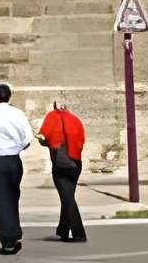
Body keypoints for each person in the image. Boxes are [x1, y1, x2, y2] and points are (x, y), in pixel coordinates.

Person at [0, 80, 37, 253]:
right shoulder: (18, 113)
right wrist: (17, 148)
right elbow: (27, 137)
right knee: (12, 196)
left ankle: (8, 240)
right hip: (14, 160)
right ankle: (15, 231)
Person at [37, 98, 87, 242]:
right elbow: (81, 140)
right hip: (76, 164)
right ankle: (63, 230)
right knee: (68, 196)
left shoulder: (52, 118)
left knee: (67, 199)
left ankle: (79, 233)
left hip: (61, 165)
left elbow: (46, 139)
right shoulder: (75, 120)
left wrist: (41, 139)